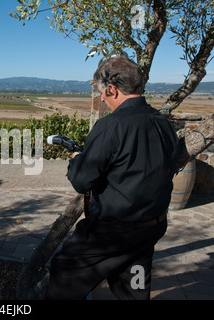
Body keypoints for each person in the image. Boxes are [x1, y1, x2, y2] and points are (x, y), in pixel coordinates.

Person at [45, 57, 180, 300]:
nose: (103, 101)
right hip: (151, 229)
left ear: (111, 89)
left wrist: (77, 158)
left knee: (63, 273)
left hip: (111, 235)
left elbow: (82, 180)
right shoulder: (164, 124)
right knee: (134, 288)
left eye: (102, 94)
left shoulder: (110, 126)